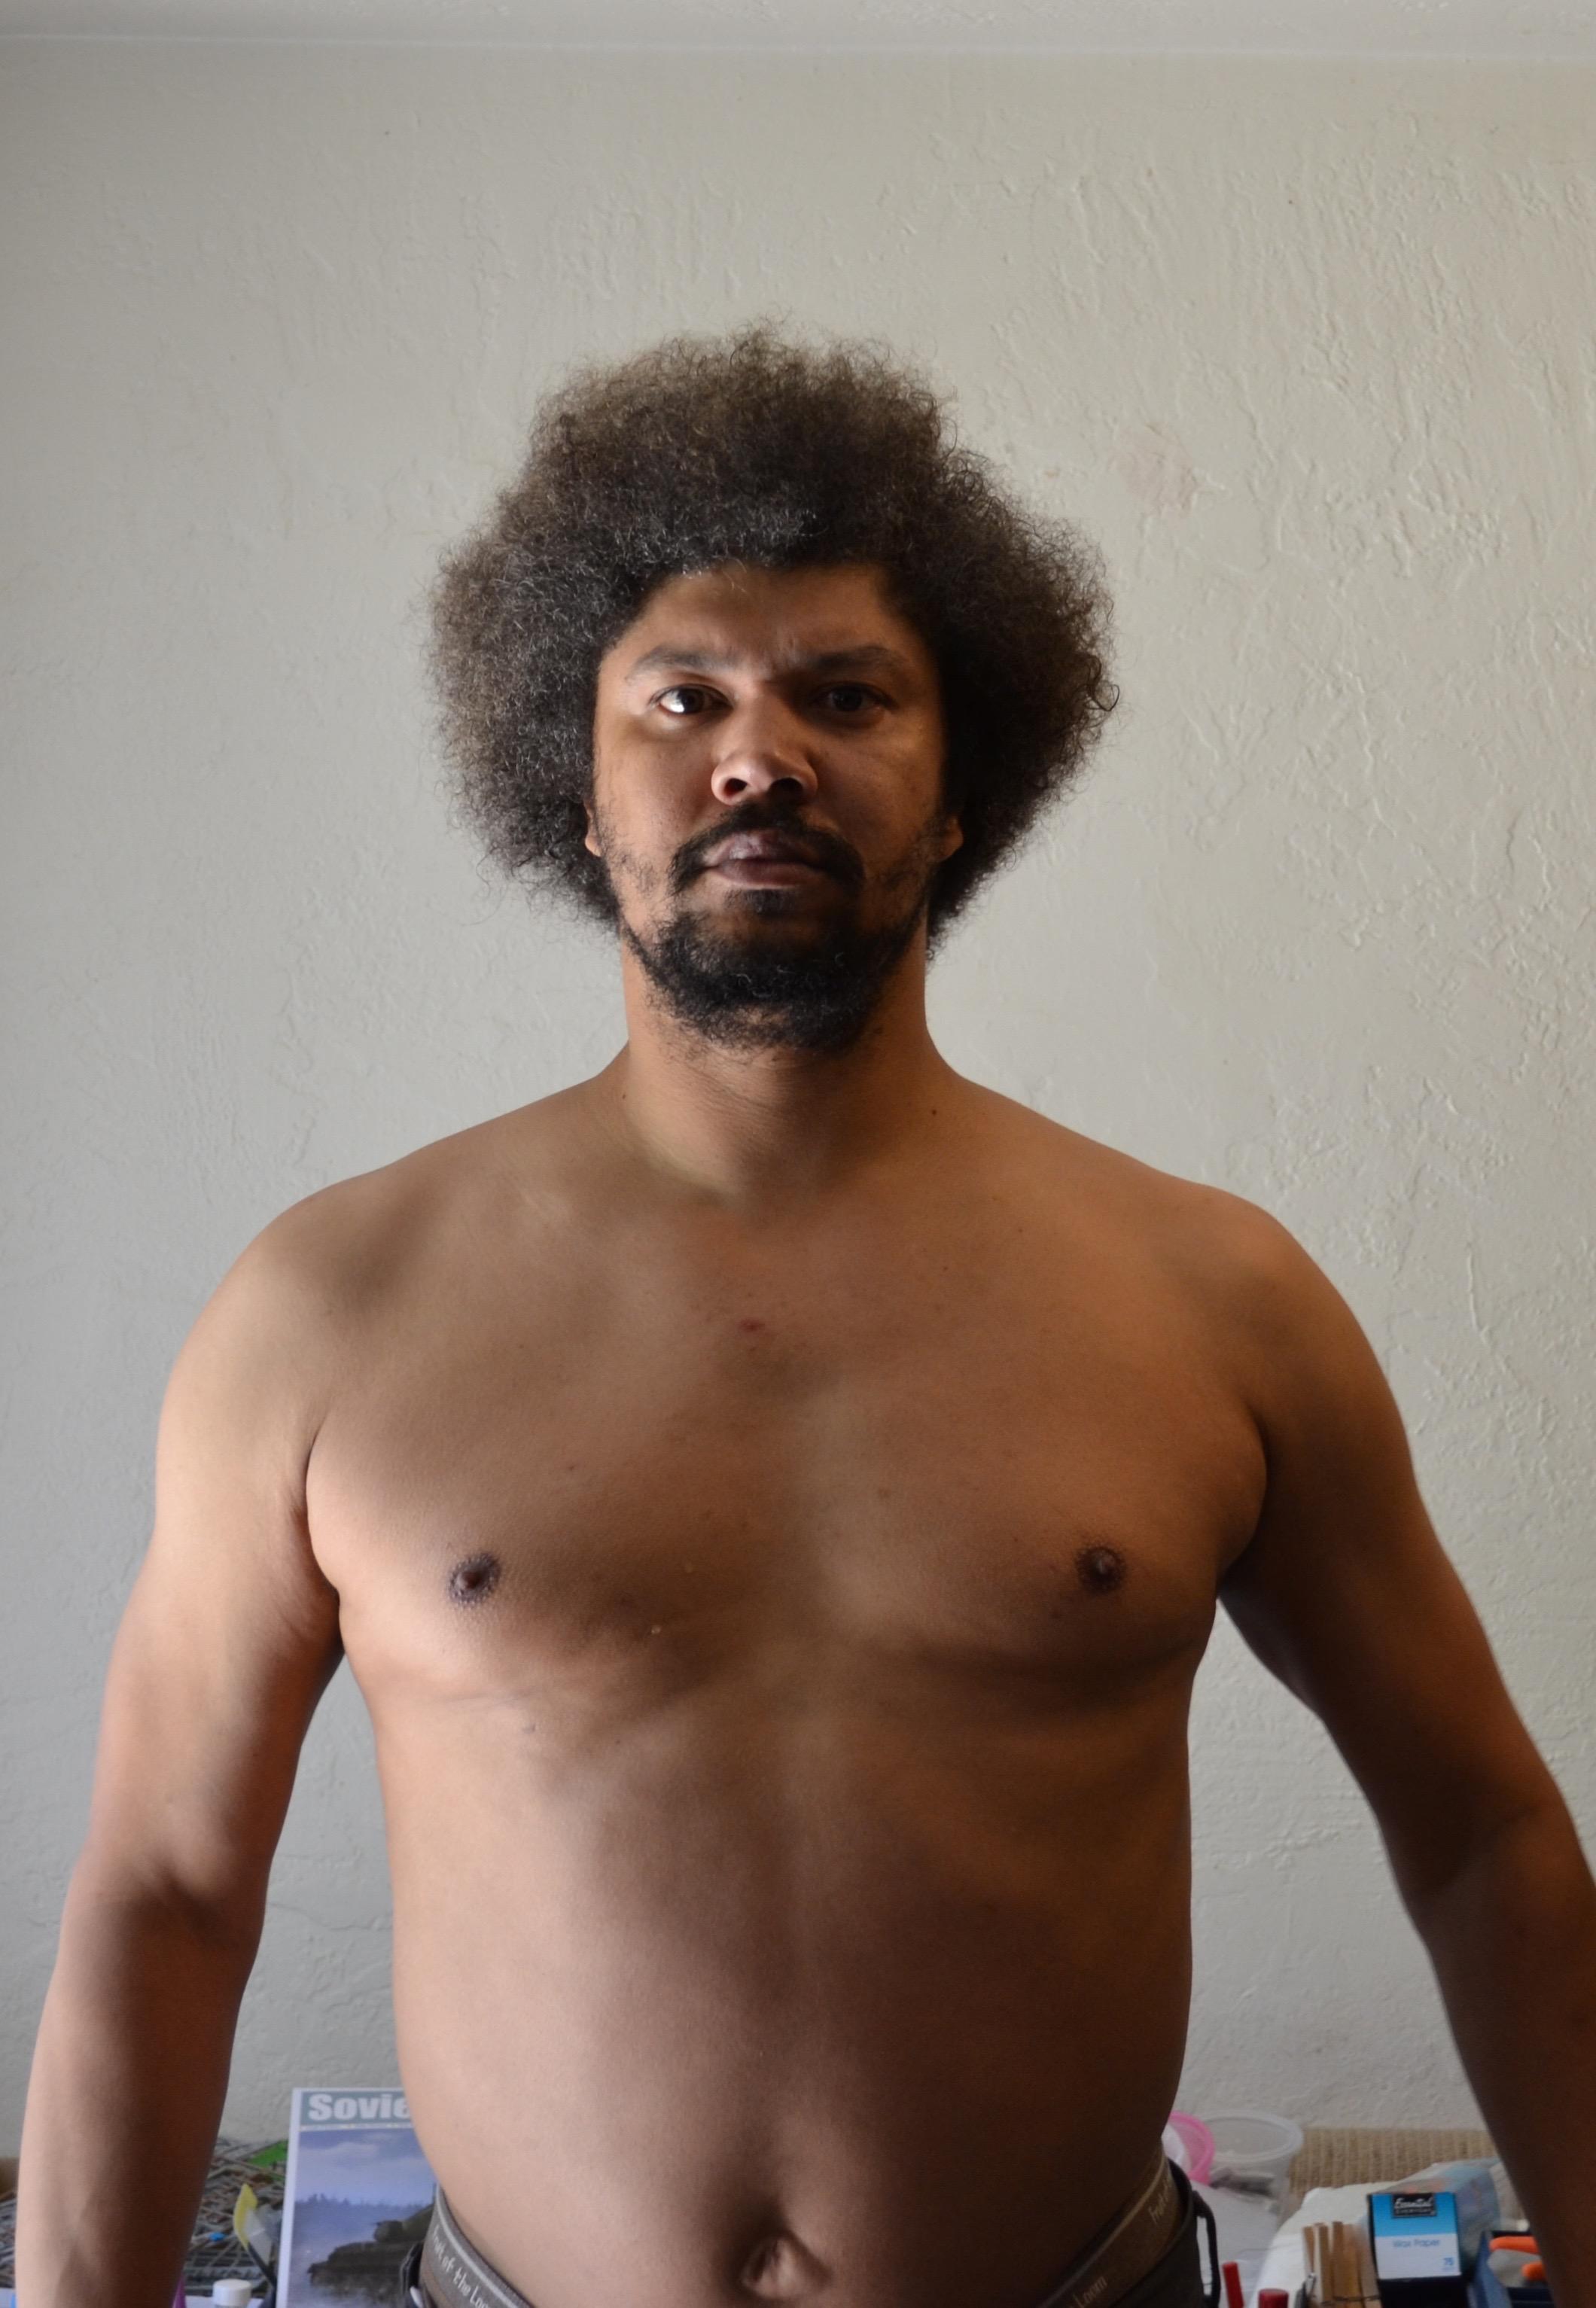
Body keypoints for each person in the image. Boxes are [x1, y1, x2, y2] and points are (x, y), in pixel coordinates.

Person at [18, 323, 1596, 2308]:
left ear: (962, 792)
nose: (760, 753)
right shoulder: (328, 1307)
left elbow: (1484, 1836)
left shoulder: (1221, 1300)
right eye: (682, 698)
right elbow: (166, 1896)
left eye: (846, 695)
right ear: (577, 791)